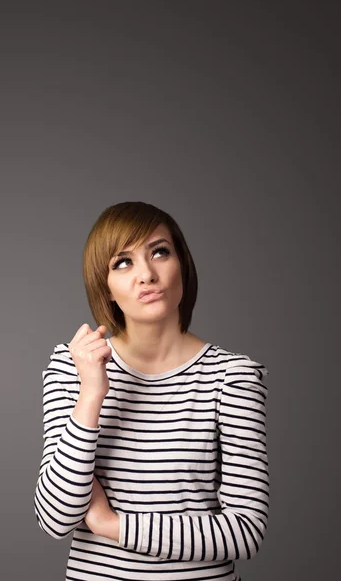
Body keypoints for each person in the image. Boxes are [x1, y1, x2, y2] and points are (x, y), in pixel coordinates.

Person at [33, 201, 269, 581]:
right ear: (105, 288)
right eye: (122, 262)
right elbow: (56, 517)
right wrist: (91, 393)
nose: (146, 274)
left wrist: (112, 525)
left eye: (159, 252)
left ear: (182, 265)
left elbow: (245, 532)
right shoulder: (73, 366)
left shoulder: (232, 377)